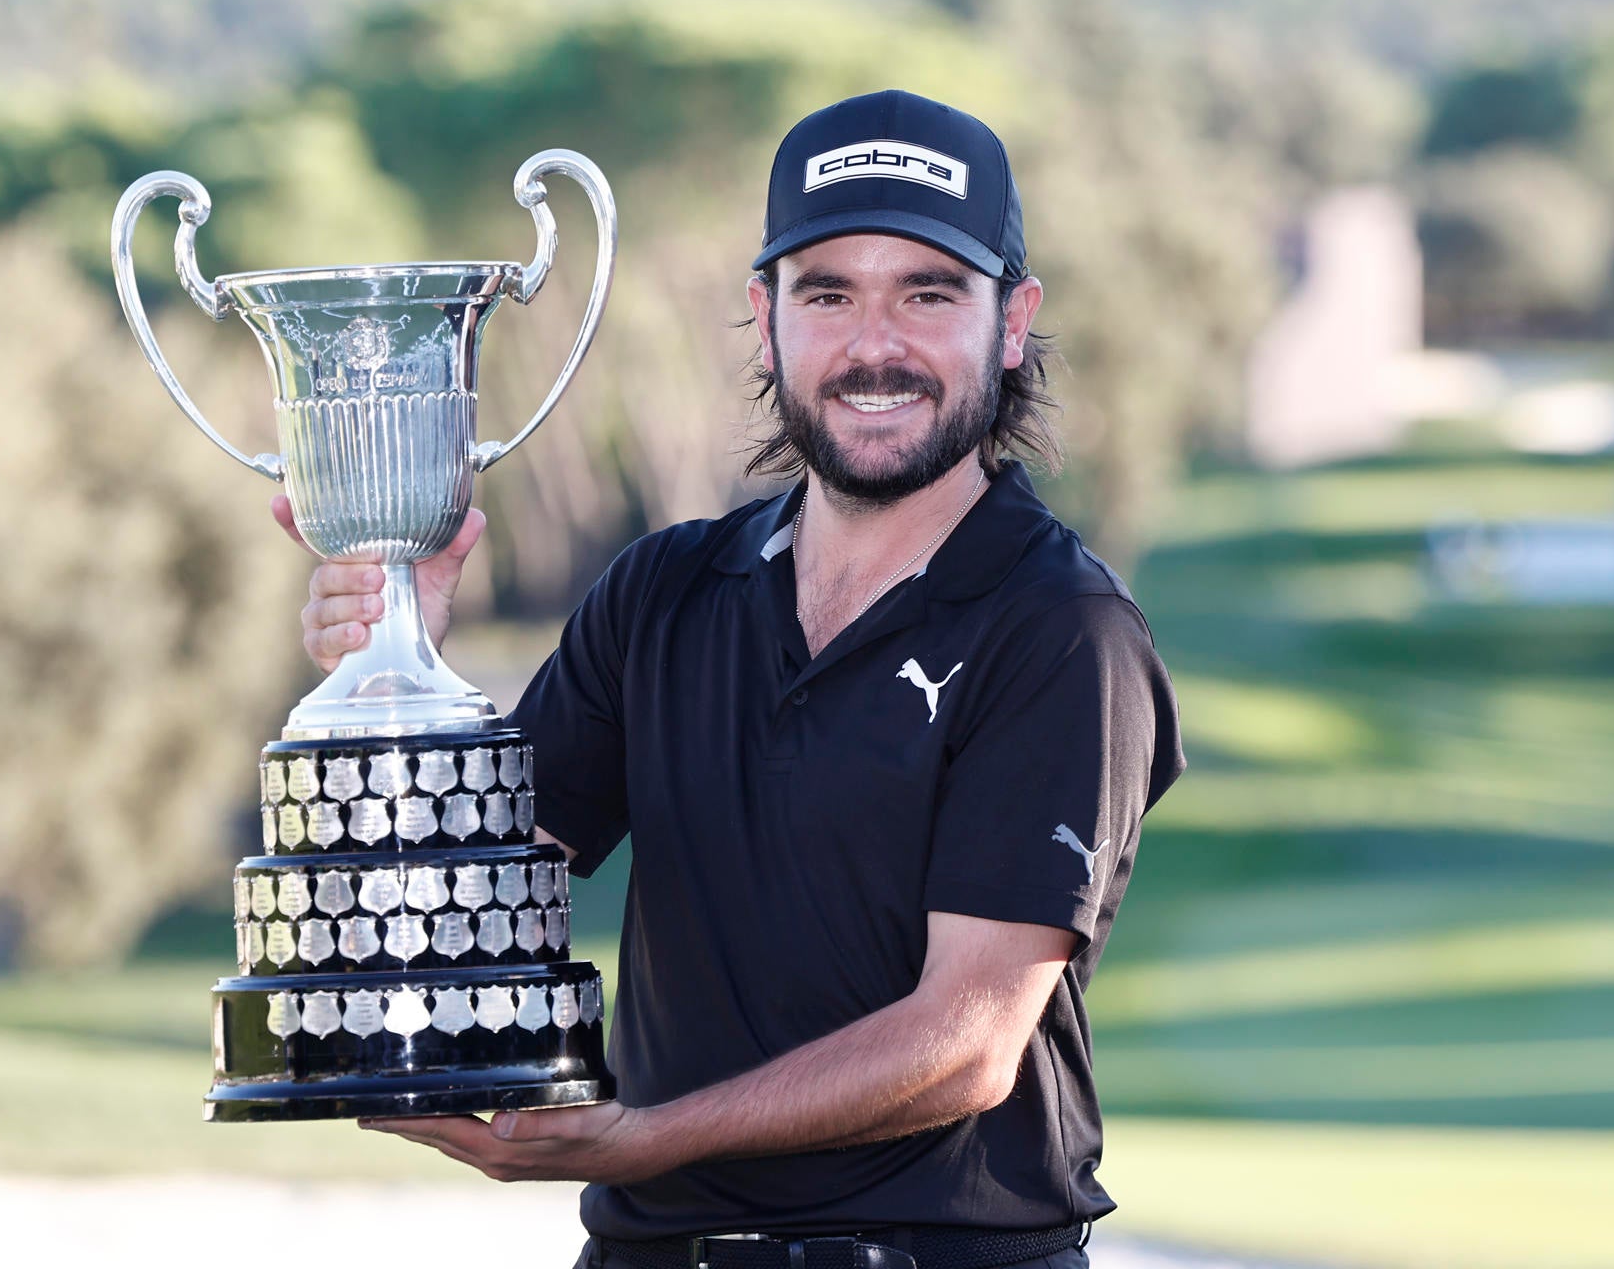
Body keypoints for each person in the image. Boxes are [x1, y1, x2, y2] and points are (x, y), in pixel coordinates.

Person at [278, 90, 1184, 1269]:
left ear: (1012, 322)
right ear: (766, 321)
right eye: (828, 294)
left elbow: (967, 1042)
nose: (876, 346)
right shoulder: (663, 591)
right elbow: (472, 905)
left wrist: (640, 1137)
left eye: (929, 292)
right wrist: (399, 671)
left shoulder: (1061, 627)